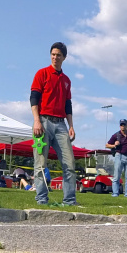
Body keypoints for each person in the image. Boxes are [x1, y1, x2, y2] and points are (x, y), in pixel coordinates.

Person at [30, 42, 77, 206]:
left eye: (58, 55)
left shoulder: (66, 80)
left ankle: (70, 200)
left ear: (64, 57)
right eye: (53, 54)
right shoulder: (42, 74)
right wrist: (36, 121)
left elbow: (68, 104)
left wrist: (71, 125)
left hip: (61, 125)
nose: (55, 57)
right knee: (41, 163)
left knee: (69, 163)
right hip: (42, 122)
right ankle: (42, 198)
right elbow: (34, 98)